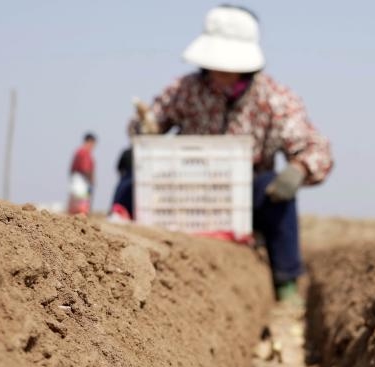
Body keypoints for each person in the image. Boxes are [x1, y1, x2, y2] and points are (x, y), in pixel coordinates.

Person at [114, 5, 333, 304]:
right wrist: (145, 129)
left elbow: (316, 147)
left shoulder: (274, 99)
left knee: (279, 197)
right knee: (132, 173)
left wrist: (299, 168)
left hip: (242, 197)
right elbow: (149, 123)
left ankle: (286, 285)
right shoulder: (186, 89)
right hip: (184, 187)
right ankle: (117, 254)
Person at [68, 132, 96, 215]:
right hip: (82, 182)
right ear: (90, 142)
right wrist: (91, 180)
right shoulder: (84, 153)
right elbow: (86, 168)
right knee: (81, 207)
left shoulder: (79, 152)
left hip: (78, 181)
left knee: (76, 204)